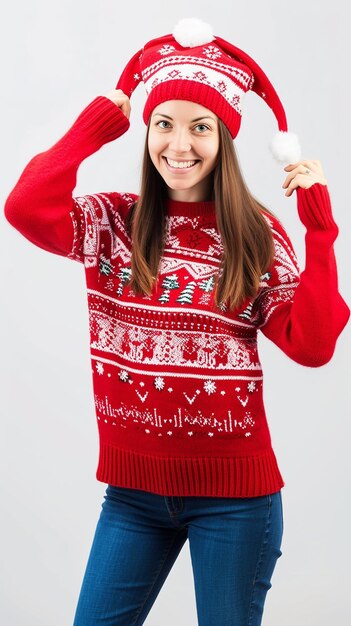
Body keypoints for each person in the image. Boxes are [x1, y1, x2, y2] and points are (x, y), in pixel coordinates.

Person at [4, 17, 350, 626]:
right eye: (163, 124)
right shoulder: (116, 224)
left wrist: (321, 232)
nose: (179, 144)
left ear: (225, 138)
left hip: (236, 503)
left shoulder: (255, 236)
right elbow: (26, 208)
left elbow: (314, 344)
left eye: (200, 127)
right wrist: (95, 124)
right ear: (147, 133)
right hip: (132, 498)